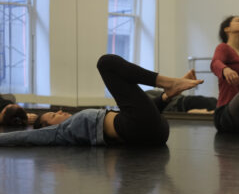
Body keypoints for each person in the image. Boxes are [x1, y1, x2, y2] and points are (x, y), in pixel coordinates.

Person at [0, 54, 202, 146]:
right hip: (140, 129)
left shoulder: (77, 123)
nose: (60, 111)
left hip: (154, 134)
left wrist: (166, 99)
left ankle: (169, 90)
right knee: (106, 63)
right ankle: (166, 82)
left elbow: (145, 113)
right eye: (53, 115)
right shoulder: (59, 132)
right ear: (47, 128)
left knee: (145, 103)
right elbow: (26, 137)